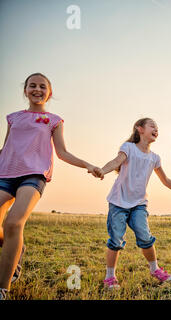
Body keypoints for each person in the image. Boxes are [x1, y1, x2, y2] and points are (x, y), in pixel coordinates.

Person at [0, 73, 102, 300]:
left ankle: (3, 288)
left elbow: (62, 152)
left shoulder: (54, 120)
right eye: (32, 85)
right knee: (5, 228)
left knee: (14, 222)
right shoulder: (13, 118)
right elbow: (5, 148)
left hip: (34, 175)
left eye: (42, 86)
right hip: (5, 173)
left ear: (50, 92)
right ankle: (17, 249)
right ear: (25, 90)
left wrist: (88, 164)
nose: (37, 89)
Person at [98, 117, 171, 289]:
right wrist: (102, 171)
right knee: (116, 240)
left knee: (145, 237)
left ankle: (155, 269)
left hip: (139, 204)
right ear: (140, 129)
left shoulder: (155, 158)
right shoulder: (128, 148)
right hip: (118, 202)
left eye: (157, 127)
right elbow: (116, 162)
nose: (156, 129)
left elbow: (165, 180)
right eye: (152, 125)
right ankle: (110, 277)